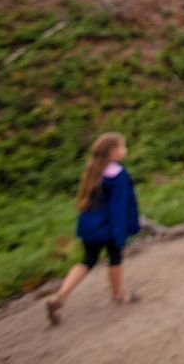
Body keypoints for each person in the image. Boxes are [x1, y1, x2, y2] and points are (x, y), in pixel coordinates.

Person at [45, 132, 141, 325]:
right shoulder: (117, 175)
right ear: (113, 151)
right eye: (123, 146)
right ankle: (118, 295)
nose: (125, 150)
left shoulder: (93, 171)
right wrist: (120, 232)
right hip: (109, 226)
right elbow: (119, 206)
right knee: (115, 258)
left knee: (87, 260)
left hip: (90, 227)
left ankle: (59, 297)